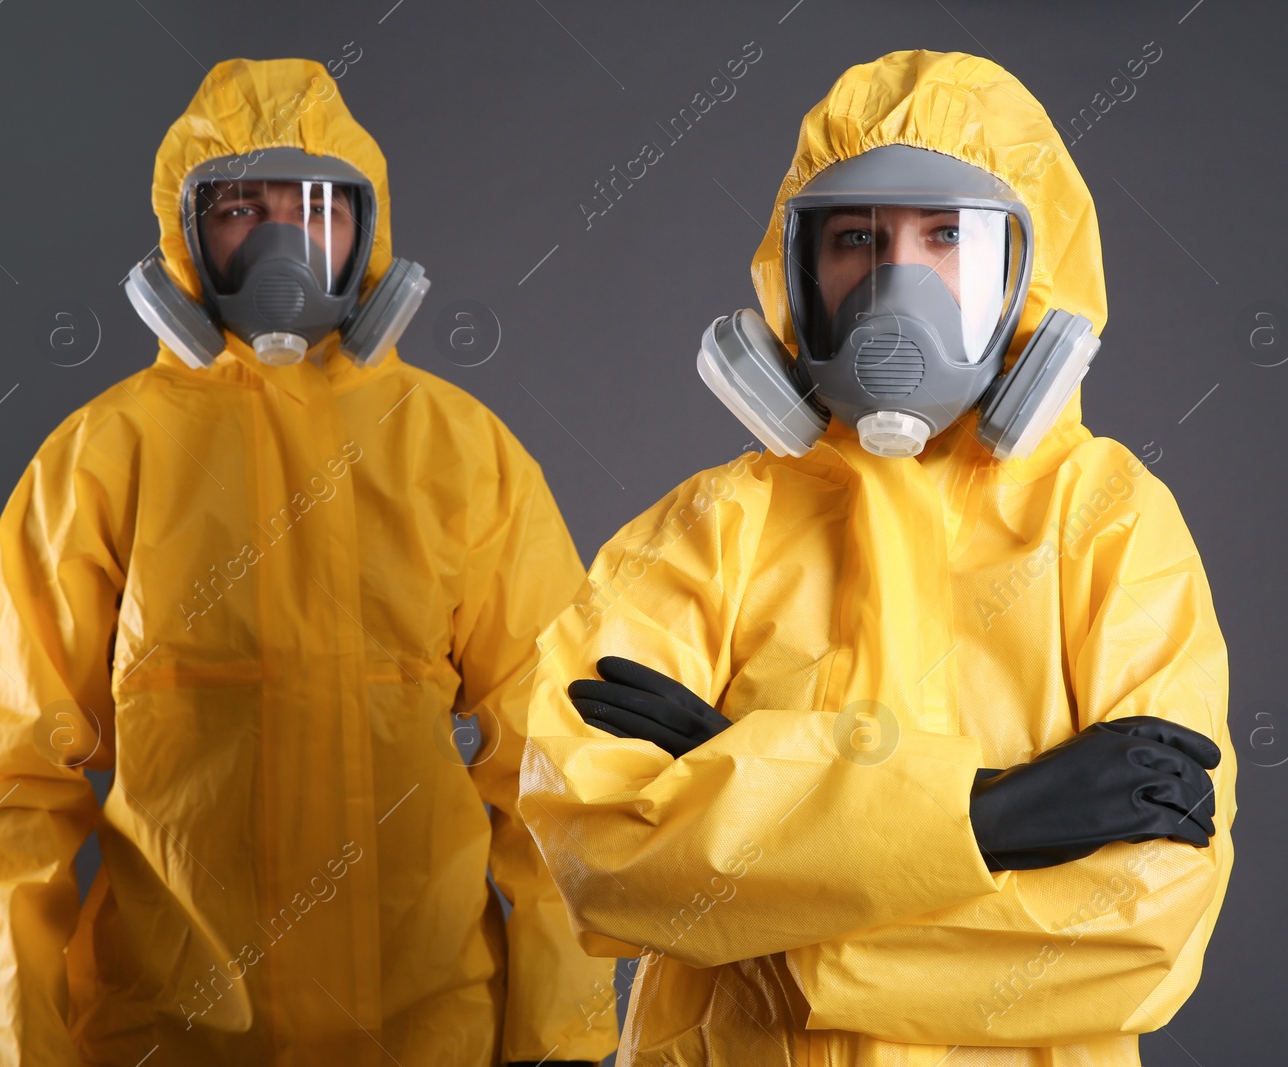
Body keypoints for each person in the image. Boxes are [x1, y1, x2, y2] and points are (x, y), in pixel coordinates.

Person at [517, 50, 1235, 1066]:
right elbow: (595, 846)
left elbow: (1145, 929)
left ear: (1033, 272)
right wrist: (989, 819)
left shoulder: (1109, 525)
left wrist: (765, 890)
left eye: (947, 236)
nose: (899, 284)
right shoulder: (709, 528)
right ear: (798, 270)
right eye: (856, 237)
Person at [0, 58, 615, 1067]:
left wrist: (552, 1041)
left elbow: (562, 768)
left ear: (365, 230)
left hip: (427, 1036)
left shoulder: (459, 452)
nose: (280, 242)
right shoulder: (99, 461)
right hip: (165, 1039)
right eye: (238, 211)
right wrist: (18, 1048)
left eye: (313, 208)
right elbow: (12, 787)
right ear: (187, 238)